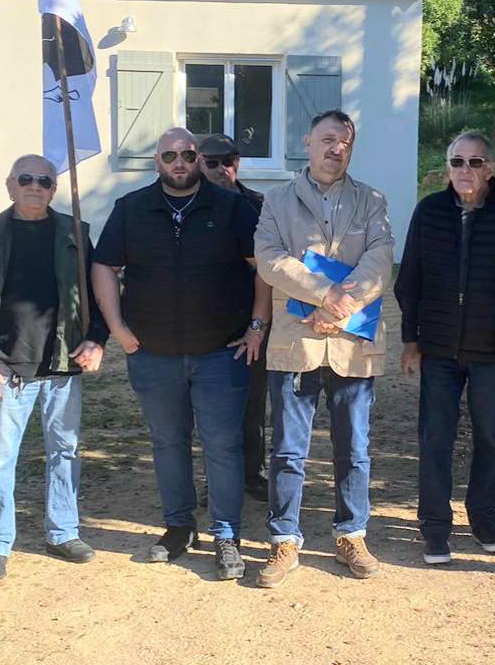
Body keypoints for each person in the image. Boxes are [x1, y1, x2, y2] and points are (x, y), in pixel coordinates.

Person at [92, 128, 269, 582]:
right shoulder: (131, 208)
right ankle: (178, 527)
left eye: (188, 155)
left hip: (220, 355)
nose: (179, 163)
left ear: (198, 159)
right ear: (156, 161)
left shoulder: (232, 208)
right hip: (153, 355)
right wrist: (117, 328)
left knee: (223, 446)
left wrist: (256, 326)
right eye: (169, 155)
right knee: (168, 443)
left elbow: (262, 268)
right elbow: (104, 265)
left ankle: (225, 534)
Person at [0, 154, 109, 583]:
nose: (35, 186)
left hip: (62, 364)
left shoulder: (75, 234)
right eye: (26, 179)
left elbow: (100, 294)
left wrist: (97, 339)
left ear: (53, 189)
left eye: (44, 180)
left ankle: (63, 532)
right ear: (10, 185)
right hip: (5, 366)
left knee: (65, 452)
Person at [253, 109, 394, 588]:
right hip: (297, 342)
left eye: (346, 142)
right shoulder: (277, 201)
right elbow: (270, 259)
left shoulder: (371, 201)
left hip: (352, 343)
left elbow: (380, 258)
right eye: (329, 139)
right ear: (307, 142)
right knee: (288, 450)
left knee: (354, 448)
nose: (337, 148)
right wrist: (324, 294)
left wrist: (341, 305)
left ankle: (351, 534)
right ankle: (284, 539)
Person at [394, 131, 495, 565]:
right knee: (435, 439)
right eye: (457, 162)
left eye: (475, 162)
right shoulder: (429, 211)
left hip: (493, 349)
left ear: (490, 168)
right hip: (439, 348)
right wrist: (411, 339)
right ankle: (434, 527)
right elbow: (409, 281)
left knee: (491, 437)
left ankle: (483, 519)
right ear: (447, 168)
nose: (464, 170)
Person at [198, 132, 271, 501]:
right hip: (206, 320)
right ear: (199, 163)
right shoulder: (190, 204)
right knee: (211, 409)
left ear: (237, 163)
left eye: (228, 161)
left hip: (252, 318)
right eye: (211, 162)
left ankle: (252, 473)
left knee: (253, 402)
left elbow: (271, 266)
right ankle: (215, 477)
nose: (221, 169)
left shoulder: (259, 205)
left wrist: (259, 323)